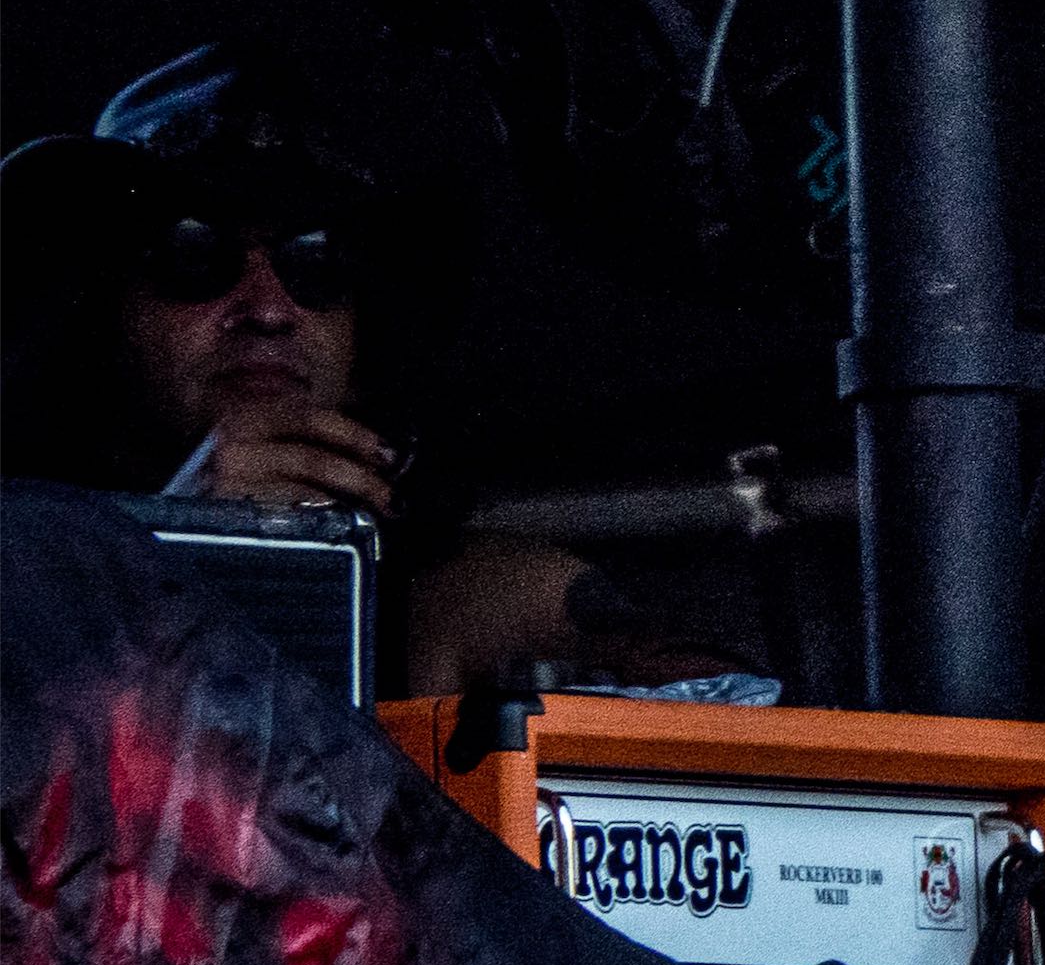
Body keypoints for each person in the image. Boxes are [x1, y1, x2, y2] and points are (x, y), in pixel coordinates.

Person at [0, 42, 741, 703]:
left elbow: (756, 749)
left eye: (315, 263)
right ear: (104, 320)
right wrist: (177, 547)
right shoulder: (22, 579)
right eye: (196, 255)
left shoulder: (450, 602)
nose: (268, 307)